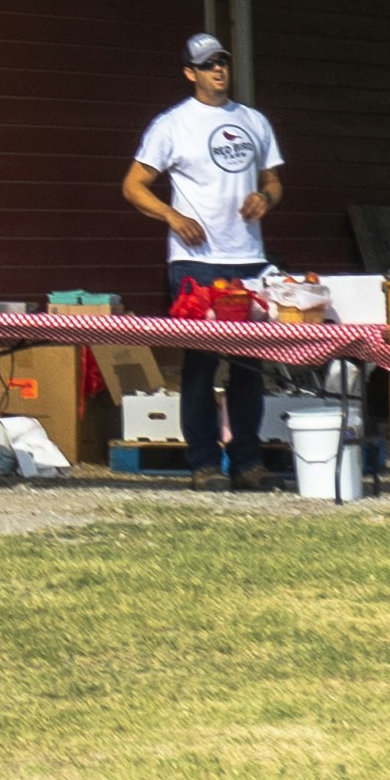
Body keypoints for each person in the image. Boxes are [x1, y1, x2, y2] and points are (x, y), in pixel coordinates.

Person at [123, 34, 290, 487]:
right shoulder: (172, 124)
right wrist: (171, 215)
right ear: (190, 73)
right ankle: (201, 462)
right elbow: (134, 185)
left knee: (250, 363)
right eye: (208, 63)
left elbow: (273, 180)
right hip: (196, 261)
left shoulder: (253, 121)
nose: (218, 69)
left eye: (223, 61)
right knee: (200, 361)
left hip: (249, 258)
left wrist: (265, 198)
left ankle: (248, 461)